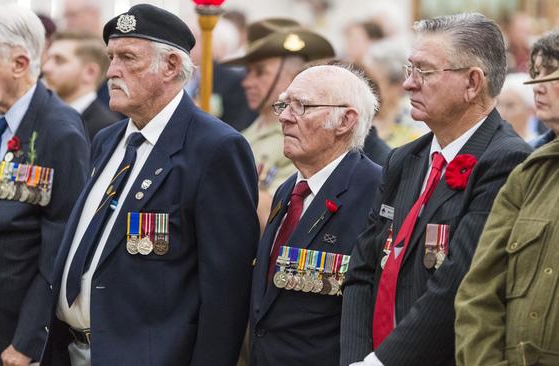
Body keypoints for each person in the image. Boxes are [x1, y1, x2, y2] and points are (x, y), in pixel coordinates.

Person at [42, 4, 259, 366]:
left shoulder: (215, 148)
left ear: (172, 67)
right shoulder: (109, 139)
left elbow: (227, 291)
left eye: (128, 58)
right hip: (72, 350)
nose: (112, 71)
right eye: (111, 57)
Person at [339, 13, 532, 366]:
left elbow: (458, 282)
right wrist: (356, 358)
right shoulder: (404, 159)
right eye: (408, 69)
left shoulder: (506, 160)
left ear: (473, 83)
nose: (409, 84)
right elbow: (363, 269)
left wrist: (381, 362)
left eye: (424, 72)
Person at [0, 5, 90, 366]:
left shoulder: (61, 132)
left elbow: (60, 251)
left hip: (23, 339)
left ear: (20, 64)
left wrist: (28, 340)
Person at [249, 64, 381, 365]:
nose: (283, 117)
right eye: (284, 105)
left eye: (301, 106)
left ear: (346, 120)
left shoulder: (376, 192)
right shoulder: (289, 190)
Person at [455, 30, 559, 366]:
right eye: (536, 74)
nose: (538, 86)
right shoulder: (530, 173)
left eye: (552, 72)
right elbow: (479, 292)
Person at [224, 18, 335, 231]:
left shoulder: (304, 140)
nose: (246, 82)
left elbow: (280, 216)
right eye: (247, 72)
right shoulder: (243, 134)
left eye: (260, 72)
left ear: (295, 77)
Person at [42, 31, 120, 140]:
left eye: (59, 60)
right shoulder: (42, 115)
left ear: (90, 73)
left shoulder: (107, 130)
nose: (46, 68)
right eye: (48, 59)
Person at [497, 72, 537, 141]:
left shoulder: (537, 147)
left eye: (510, 106)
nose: (501, 113)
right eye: (498, 104)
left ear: (529, 111)